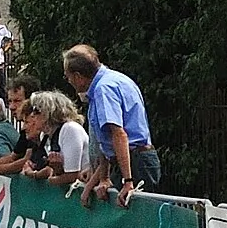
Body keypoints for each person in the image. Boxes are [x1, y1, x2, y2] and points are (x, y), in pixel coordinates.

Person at [64, 45, 161, 206]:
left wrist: (128, 180)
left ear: (78, 76)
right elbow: (107, 142)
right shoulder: (114, 80)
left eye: (68, 77)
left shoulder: (103, 90)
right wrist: (102, 178)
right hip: (134, 160)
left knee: (138, 221)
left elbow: (119, 134)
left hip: (135, 163)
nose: (69, 81)